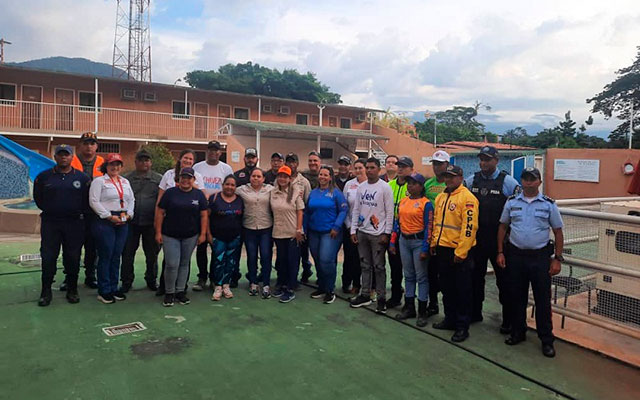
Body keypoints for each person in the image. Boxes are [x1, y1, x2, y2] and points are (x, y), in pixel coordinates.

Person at [497, 167, 564, 358]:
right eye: (525, 179)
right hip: (515, 257)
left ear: (539, 182)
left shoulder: (548, 204)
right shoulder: (512, 202)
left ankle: (546, 340)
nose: (528, 182)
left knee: (542, 300)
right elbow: (503, 227)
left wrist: (557, 259)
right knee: (516, 297)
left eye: (532, 179)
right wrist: (500, 252)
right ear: (521, 181)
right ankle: (518, 332)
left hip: (540, 259)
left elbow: (558, 231)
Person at [465, 145, 521, 331]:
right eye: (481, 159)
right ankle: (474, 312)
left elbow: (517, 212)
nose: (483, 163)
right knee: (474, 278)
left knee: (504, 281)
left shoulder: (509, 183)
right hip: (477, 240)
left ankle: (508, 320)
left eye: (487, 159)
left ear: (496, 160)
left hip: (500, 242)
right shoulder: (471, 180)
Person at [34, 144, 91, 306]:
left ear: (72, 157)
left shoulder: (82, 178)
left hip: (74, 224)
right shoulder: (44, 177)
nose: (63, 157)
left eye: (67, 154)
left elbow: (87, 202)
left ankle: (72, 289)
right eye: (60, 154)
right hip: (51, 223)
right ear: (55, 157)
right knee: (48, 257)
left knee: (72, 257)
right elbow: (39, 199)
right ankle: (46, 291)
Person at [430, 165, 478, 342]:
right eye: (446, 176)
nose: (448, 179)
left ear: (460, 177)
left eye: (452, 176)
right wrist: (434, 242)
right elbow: (436, 222)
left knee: (462, 291)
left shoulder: (468, 198)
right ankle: (449, 319)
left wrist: (462, 252)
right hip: (442, 249)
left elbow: (469, 228)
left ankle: (462, 327)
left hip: (459, 252)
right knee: (447, 288)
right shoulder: (441, 197)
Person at [155, 167, 208, 307]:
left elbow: (204, 215)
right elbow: (160, 212)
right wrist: (158, 232)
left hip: (190, 235)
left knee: (184, 264)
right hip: (170, 234)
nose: (185, 180)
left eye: (189, 177)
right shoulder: (170, 193)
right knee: (172, 264)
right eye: (183, 177)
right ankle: (169, 292)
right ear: (178, 179)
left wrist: (203, 234)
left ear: (193, 180)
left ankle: (180, 292)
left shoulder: (199, 195)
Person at [349, 157, 394, 314]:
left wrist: (386, 233)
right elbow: (356, 210)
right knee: (365, 265)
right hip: (362, 232)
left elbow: (390, 212)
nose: (369, 170)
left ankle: (381, 298)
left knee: (379, 267)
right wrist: (353, 230)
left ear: (379, 169)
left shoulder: (385, 188)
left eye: (372, 167)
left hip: (378, 234)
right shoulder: (361, 187)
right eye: (367, 167)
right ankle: (365, 294)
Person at [89, 153, 135, 304]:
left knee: (117, 254)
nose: (115, 167)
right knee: (106, 254)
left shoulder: (125, 182)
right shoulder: (99, 181)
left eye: (118, 164)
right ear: (106, 166)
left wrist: (130, 214)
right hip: (105, 220)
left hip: (123, 220)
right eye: (111, 164)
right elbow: (94, 201)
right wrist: (108, 216)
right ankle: (104, 290)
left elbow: (131, 200)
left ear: (121, 166)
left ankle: (114, 287)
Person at [390, 172, 433, 327]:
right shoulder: (403, 202)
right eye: (409, 183)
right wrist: (393, 242)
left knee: (421, 276)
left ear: (421, 187)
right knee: (408, 275)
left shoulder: (426, 204)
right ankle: (409, 307)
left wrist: (425, 248)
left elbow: (429, 226)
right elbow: (397, 222)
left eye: (414, 183)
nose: (410, 185)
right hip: (404, 241)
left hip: (418, 241)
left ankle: (422, 311)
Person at [66, 132, 104, 290]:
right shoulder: (70, 161)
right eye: (86, 143)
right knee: (71, 248)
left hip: (95, 214)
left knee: (92, 247)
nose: (89, 146)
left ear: (96, 146)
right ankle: (69, 277)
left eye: (92, 143)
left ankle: (90, 276)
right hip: (74, 213)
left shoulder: (103, 163)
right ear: (80, 145)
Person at [120, 149, 162, 293]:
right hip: (131, 223)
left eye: (147, 160)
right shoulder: (126, 179)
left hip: (151, 223)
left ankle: (151, 279)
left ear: (150, 162)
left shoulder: (158, 179)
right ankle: (126, 281)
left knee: (152, 255)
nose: (144, 163)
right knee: (127, 254)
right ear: (136, 162)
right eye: (141, 160)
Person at [193, 140, 233, 290]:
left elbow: (230, 187)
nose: (212, 152)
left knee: (216, 247)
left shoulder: (226, 168)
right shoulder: (197, 167)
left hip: (218, 213)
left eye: (215, 150)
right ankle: (202, 277)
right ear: (206, 151)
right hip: (201, 211)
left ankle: (214, 277)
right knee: (201, 246)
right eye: (210, 149)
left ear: (220, 153)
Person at [305, 166, 348, 304]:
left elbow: (343, 210)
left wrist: (336, 226)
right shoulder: (313, 193)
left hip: (329, 233)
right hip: (314, 231)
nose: (322, 177)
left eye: (325, 175)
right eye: (320, 174)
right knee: (317, 260)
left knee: (326, 260)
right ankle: (322, 287)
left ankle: (330, 289)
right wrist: (304, 229)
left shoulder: (336, 193)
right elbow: (307, 212)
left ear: (330, 177)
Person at [236, 168, 274, 299]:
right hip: (249, 228)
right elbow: (227, 192)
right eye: (254, 176)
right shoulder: (241, 190)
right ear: (250, 177)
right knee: (251, 256)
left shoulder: (270, 189)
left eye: (259, 176)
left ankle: (266, 284)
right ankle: (253, 282)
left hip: (266, 228)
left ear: (263, 178)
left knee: (265, 256)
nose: (256, 178)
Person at [270, 166, 305, 303]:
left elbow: (300, 211)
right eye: (280, 176)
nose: (282, 179)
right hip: (279, 232)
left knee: (292, 261)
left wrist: (298, 230)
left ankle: (290, 287)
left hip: (292, 233)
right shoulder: (272, 192)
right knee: (281, 260)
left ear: (290, 179)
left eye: (285, 176)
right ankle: (281, 284)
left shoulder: (296, 192)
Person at [422, 150, 450, 317]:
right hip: (430, 234)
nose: (437, 167)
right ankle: (432, 303)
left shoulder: (452, 184)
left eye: (440, 164)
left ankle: (449, 309)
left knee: (446, 274)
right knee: (430, 272)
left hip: (447, 236)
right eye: (434, 164)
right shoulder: (428, 184)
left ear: (447, 164)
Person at [207, 175, 244, 301]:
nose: (230, 187)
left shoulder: (240, 200)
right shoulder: (214, 198)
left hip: (234, 237)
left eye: (232, 185)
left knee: (231, 262)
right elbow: (206, 217)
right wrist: (208, 234)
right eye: (227, 184)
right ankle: (218, 286)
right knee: (218, 261)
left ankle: (226, 285)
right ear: (223, 185)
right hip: (218, 236)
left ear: (236, 187)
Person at [387, 156, 414, 308]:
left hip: (408, 233)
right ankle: (396, 296)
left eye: (404, 166)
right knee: (395, 267)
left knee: (411, 269)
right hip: (392, 233)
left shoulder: (413, 187)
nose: (401, 168)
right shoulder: (389, 185)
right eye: (399, 166)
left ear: (411, 169)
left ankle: (411, 299)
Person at [285, 152, 312, 283]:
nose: (291, 164)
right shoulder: (280, 179)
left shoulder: (304, 182)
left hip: (300, 220)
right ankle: (288, 277)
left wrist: (302, 226)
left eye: (293, 162)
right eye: (288, 161)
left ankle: (306, 269)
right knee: (288, 251)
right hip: (285, 220)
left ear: (297, 164)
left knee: (302, 248)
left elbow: (307, 202)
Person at [341, 158, 366, 294]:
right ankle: (350, 283)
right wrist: (350, 227)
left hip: (366, 229)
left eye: (360, 168)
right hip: (350, 228)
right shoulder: (349, 185)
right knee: (351, 258)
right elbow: (344, 206)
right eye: (355, 168)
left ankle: (366, 286)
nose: (358, 171)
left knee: (365, 259)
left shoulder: (371, 184)